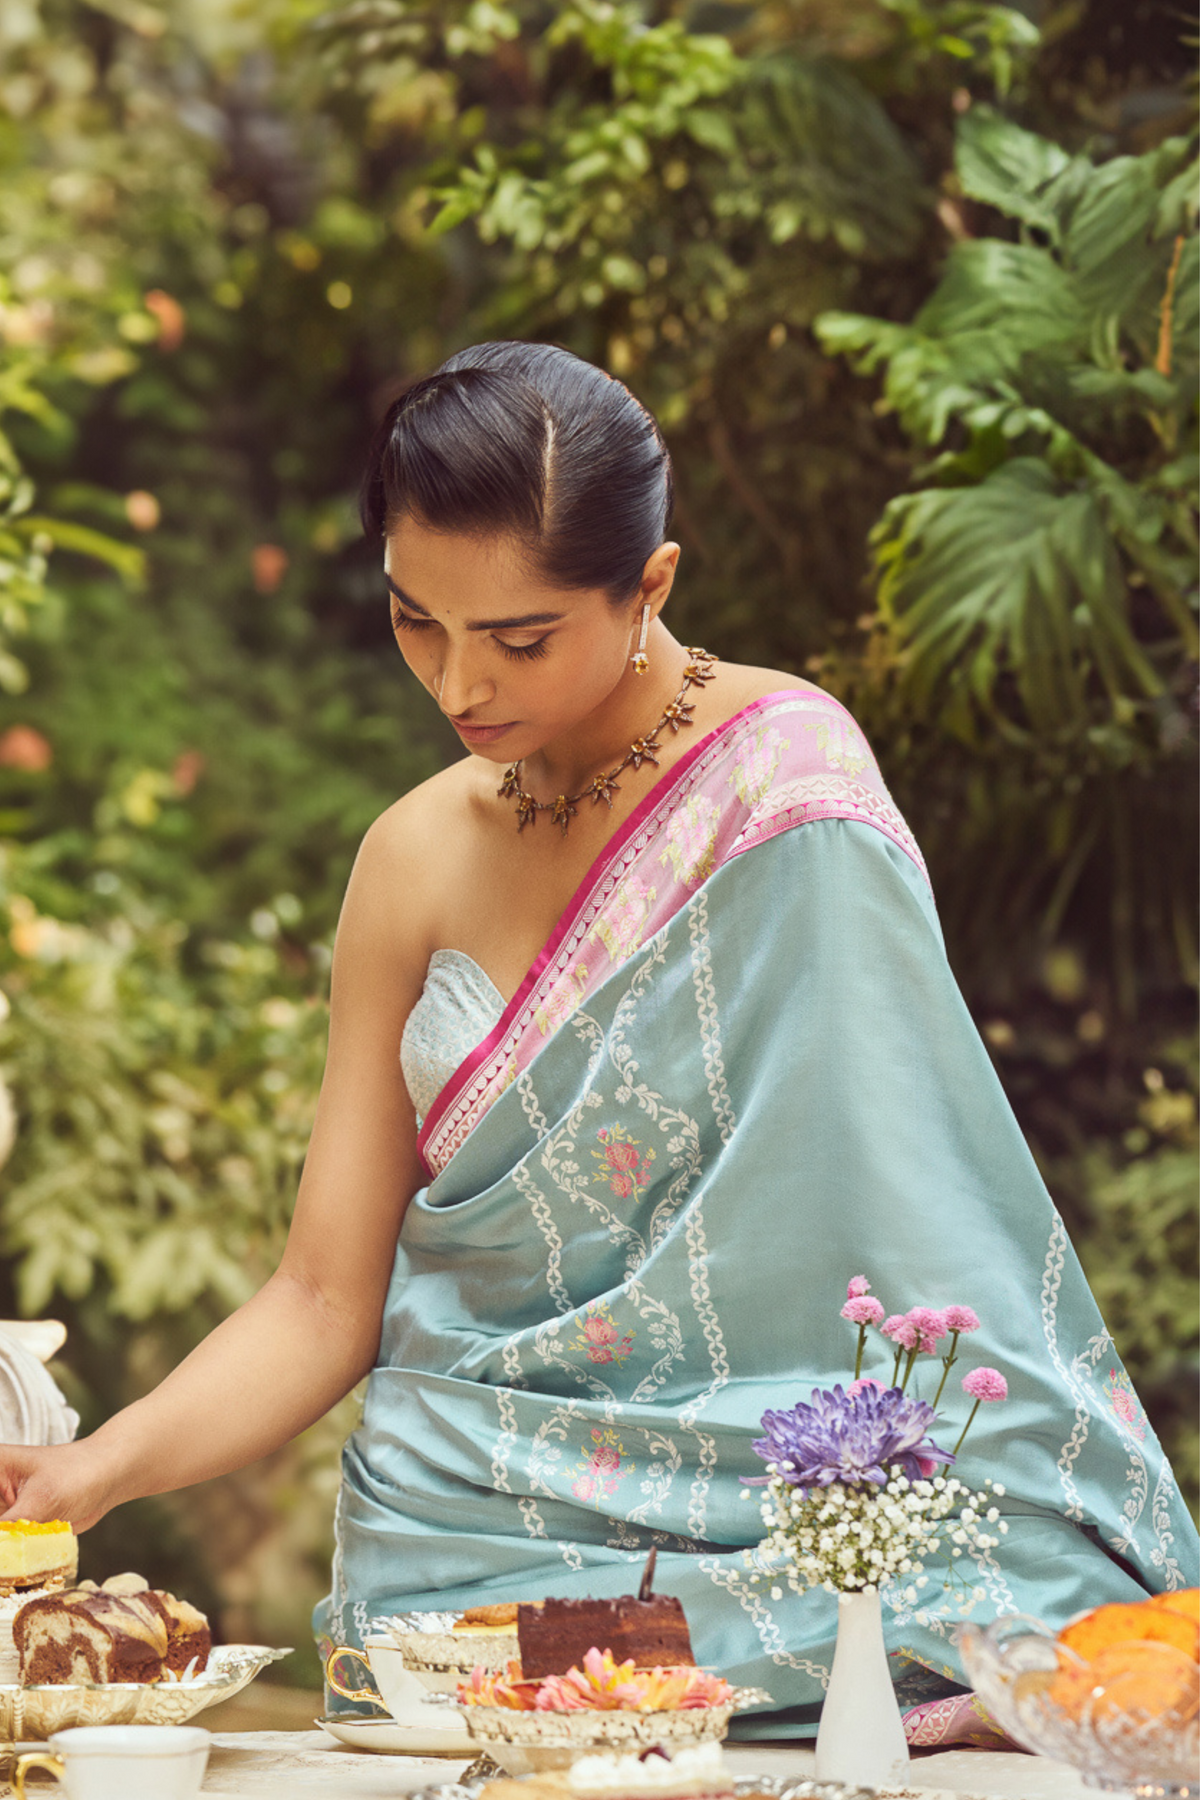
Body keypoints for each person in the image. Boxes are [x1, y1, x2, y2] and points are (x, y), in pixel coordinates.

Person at [1, 342, 1194, 1735]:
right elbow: (325, 1299)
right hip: (473, 1536)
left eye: (520, 638)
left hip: (779, 1506)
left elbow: (916, 1221)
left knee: (1011, 1608)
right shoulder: (411, 858)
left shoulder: (785, 790)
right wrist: (89, 1469)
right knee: (453, 1674)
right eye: (415, 623)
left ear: (653, 587)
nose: (459, 687)